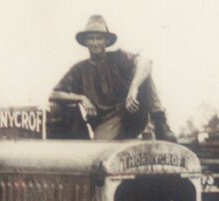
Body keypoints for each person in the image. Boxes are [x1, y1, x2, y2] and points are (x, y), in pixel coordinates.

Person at [49, 15, 177, 141]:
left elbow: (147, 62)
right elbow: (54, 94)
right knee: (99, 151)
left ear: (106, 41)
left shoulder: (118, 58)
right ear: (86, 42)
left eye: (99, 38)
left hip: (130, 110)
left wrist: (134, 88)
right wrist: (82, 98)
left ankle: (160, 122)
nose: (95, 43)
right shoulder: (80, 69)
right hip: (107, 122)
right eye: (91, 39)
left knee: (142, 73)